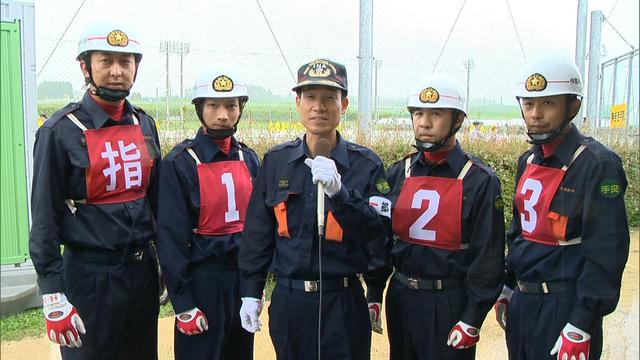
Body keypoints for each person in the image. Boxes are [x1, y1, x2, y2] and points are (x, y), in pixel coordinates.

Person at [237, 58, 390, 360]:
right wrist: (251, 291)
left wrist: (341, 194)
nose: (318, 107)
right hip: (290, 302)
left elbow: (380, 235)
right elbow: (258, 233)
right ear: (298, 103)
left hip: (343, 301)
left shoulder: (366, 165)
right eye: (310, 97)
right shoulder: (277, 161)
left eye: (329, 98)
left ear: (343, 104)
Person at [28, 19, 161, 359]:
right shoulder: (59, 131)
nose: (117, 71)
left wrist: (163, 263)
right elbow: (44, 216)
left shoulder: (145, 124)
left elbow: (156, 202)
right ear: (85, 66)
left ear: (135, 68)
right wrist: (53, 293)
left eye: (126, 62)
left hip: (141, 276)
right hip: (89, 279)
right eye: (106, 61)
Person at [494, 55, 630, 360]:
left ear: (572, 106)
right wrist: (508, 286)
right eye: (529, 105)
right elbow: (519, 232)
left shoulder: (596, 163)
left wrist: (582, 321)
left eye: (548, 104)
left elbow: (607, 249)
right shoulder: (527, 161)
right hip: (524, 302)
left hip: (564, 305)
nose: (536, 114)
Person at [364, 74, 505, 360]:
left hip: (449, 301)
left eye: (436, 114)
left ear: (457, 121)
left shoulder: (479, 180)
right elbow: (381, 241)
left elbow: (487, 257)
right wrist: (375, 292)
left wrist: (473, 317)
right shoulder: (398, 173)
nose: (424, 123)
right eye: (418, 113)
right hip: (402, 296)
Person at [156, 65, 260, 359]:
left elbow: (259, 230)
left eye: (231, 105)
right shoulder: (180, 162)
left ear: (241, 109)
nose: (223, 114)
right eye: (213, 105)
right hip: (202, 282)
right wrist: (184, 302)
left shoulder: (249, 159)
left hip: (240, 280)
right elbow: (170, 238)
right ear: (200, 109)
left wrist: (254, 285)